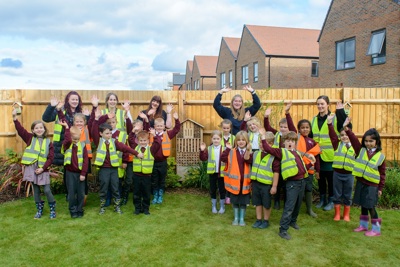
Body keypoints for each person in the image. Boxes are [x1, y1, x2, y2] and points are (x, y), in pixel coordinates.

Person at [261, 129, 315, 240]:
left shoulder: (297, 153)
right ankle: (283, 229)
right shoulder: (282, 152)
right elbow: (268, 148)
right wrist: (262, 137)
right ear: (284, 142)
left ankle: (292, 222)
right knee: (289, 207)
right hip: (292, 184)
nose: (290, 143)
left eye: (293, 141)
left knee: (298, 205)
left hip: (302, 182)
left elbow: (301, 169)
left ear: (295, 143)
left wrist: (310, 163)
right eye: (288, 141)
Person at [344, 117, 386, 237]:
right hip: (361, 182)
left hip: (372, 186)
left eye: (371, 141)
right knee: (363, 205)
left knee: (370, 207)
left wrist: (380, 188)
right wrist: (347, 129)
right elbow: (353, 140)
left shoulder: (380, 157)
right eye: (366, 141)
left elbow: (382, 174)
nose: (368, 143)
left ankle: (376, 230)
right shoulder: (361, 150)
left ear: (377, 142)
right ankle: (363, 225)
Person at [13, 108, 56, 219]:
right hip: (31, 168)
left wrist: (43, 168)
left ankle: (52, 208)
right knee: (36, 190)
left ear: (44, 129)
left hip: (43, 168)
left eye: (41, 127)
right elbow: (20, 130)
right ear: (32, 130)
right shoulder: (29, 138)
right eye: (36, 128)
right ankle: (39, 209)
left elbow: (51, 158)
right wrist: (15, 119)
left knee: (46, 190)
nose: (39, 129)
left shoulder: (48, 142)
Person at [91, 113, 137, 215]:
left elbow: (125, 148)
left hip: (114, 169)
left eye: (110, 133)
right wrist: (96, 119)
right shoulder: (98, 141)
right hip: (104, 170)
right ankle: (102, 207)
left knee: (115, 188)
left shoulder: (114, 142)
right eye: (107, 133)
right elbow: (93, 130)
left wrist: (136, 153)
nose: (109, 135)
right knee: (103, 189)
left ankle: (117, 207)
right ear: (101, 134)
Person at [311, 96, 349, 211]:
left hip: (331, 154)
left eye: (322, 104)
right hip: (318, 154)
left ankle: (332, 200)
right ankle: (323, 199)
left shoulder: (334, 118)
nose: (320, 106)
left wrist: (341, 111)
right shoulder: (314, 119)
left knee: (331, 179)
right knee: (320, 178)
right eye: (318, 104)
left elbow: (346, 127)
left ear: (328, 104)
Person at [264, 102, 294, 210]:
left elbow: (292, 128)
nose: (283, 129)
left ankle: (286, 202)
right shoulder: (276, 134)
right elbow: (267, 127)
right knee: (277, 182)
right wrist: (266, 117)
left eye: (285, 127)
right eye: (281, 126)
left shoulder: (292, 137)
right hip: (277, 162)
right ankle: (276, 201)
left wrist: (287, 113)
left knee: (287, 185)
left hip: (288, 163)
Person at [42, 91, 85, 166]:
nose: (75, 101)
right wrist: (51, 107)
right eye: (73, 99)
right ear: (68, 100)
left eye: (76, 100)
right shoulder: (60, 110)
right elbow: (46, 118)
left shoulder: (81, 113)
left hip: (76, 145)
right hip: (60, 146)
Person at [147, 110, 180, 205]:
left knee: (162, 180)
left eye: (161, 126)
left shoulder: (167, 134)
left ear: (164, 126)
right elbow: (145, 127)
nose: (159, 128)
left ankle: (160, 195)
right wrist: (148, 117)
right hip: (153, 162)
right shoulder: (151, 135)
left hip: (162, 162)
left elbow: (176, 129)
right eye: (157, 126)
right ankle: (155, 195)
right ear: (154, 127)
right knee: (154, 180)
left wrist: (176, 119)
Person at [327, 114, 355, 222]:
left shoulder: (355, 147)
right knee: (337, 194)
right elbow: (332, 135)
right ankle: (337, 214)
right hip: (337, 174)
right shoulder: (337, 144)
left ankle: (346, 214)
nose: (344, 137)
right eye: (342, 135)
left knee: (347, 194)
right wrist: (329, 124)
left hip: (349, 174)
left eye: (346, 134)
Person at [221, 131, 253, 226]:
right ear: (236, 141)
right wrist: (227, 149)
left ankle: (242, 218)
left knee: (243, 202)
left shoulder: (251, 152)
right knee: (234, 201)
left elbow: (249, 160)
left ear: (247, 141)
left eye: (243, 140)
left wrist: (247, 151)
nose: (241, 142)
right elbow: (223, 158)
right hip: (234, 183)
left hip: (245, 182)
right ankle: (236, 218)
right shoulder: (231, 151)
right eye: (239, 140)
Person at [250, 131, 280, 229]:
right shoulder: (256, 154)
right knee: (257, 202)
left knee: (266, 204)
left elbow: (276, 172)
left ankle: (266, 220)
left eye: (263, 142)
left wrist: (274, 186)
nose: (260, 144)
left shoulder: (274, 157)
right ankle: (258, 220)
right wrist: (247, 150)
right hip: (256, 183)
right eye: (260, 142)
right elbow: (246, 159)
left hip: (266, 184)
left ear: (270, 144)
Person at [59, 121, 89, 218]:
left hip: (80, 173)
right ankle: (73, 210)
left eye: (77, 139)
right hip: (70, 173)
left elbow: (85, 161)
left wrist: (83, 174)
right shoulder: (67, 145)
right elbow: (67, 139)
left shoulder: (83, 145)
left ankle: (80, 209)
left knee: (81, 193)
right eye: (74, 139)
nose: (76, 141)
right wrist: (67, 128)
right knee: (71, 193)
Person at [130, 130, 161, 215]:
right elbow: (130, 140)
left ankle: (146, 208)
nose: (143, 142)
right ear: (138, 141)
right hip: (136, 175)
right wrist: (133, 132)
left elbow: (158, 144)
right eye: (141, 140)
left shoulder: (151, 149)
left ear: (148, 140)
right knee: (136, 193)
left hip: (147, 176)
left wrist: (155, 135)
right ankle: (137, 208)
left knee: (146, 193)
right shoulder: (135, 148)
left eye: (144, 140)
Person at [296, 118, 321, 218]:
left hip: (309, 170)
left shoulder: (312, 142)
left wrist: (317, 170)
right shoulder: (296, 139)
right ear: (298, 129)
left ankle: (309, 209)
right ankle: (294, 208)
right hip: (298, 170)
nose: (305, 129)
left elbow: (317, 157)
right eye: (302, 128)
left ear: (310, 129)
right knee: (298, 189)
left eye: (307, 127)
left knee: (308, 189)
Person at [200, 130, 226, 214]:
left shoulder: (225, 149)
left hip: (222, 173)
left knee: (222, 190)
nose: (216, 140)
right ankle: (214, 206)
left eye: (218, 139)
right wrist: (202, 151)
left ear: (221, 139)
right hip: (212, 173)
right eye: (214, 138)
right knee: (213, 189)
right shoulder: (209, 148)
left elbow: (227, 159)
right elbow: (203, 158)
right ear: (211, 139)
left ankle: (222, 207)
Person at [219, 119, 235, 205]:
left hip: (230, 161)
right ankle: (223, 196)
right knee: (222, 180)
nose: (225, 130)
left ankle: (229, 196)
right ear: (221, 128)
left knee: (229, 179)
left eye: (227, 128)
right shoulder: (219, 136)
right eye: (224, 128)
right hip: (221, 162)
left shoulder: (234, 138)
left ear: (230, 128)